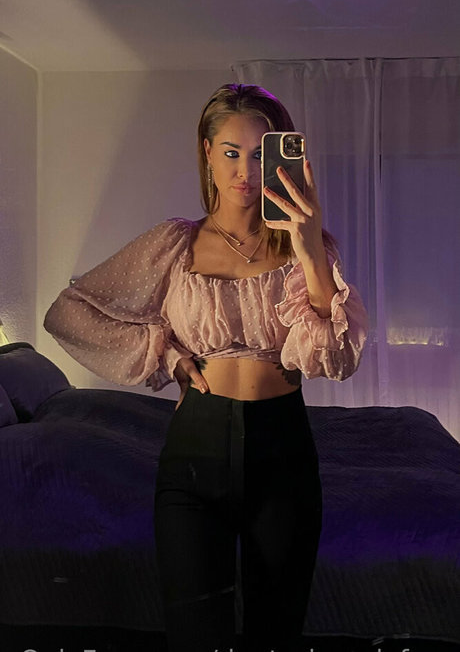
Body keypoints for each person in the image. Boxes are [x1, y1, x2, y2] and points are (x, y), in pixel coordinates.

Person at [44, 83, 369, 652]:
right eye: (231, 152)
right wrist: (167, 354)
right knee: (194, 636)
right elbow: (67, 313)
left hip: (283, 449)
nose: (246, 170)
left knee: (276, 635)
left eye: (261, 153)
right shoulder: (175, 244)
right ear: (207, 154)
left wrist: (310, 244)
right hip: (195, 449)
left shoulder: (305, 247)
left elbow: (338, 358)